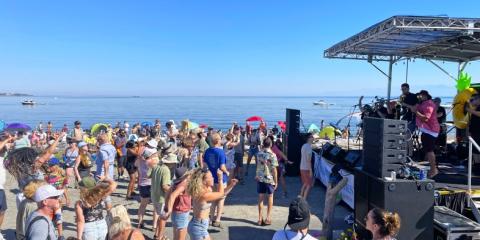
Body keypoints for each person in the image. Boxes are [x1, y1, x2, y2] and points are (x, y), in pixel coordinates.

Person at [187, 168, 238, 240]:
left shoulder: (206, 189)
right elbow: (220, 194)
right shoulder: (204, 194)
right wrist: (220, 179)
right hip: (199, 228)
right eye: (210, 177)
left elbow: (221, 194)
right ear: (204, 181)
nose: (213, 178)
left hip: (199, 226)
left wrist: (231, 185)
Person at [406, 90, 439, 177]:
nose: (418, 97)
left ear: (425, 95)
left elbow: (426, 118)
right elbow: (415, 108)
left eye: (420, 96)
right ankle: (431, 168)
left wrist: (415, 112)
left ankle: (433, 170)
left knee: (430, 151)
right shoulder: (422, 103)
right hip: (425, 130)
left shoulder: (429, 104)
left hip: (431, 131)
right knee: (427, 151)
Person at [203, 133, 230, 228]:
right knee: (221, 198)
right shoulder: (221, 152)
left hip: (210, 177)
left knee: (213, 198)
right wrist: (227, 172)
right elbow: (222, 166)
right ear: (218, 141)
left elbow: (205, 165)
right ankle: (217, 219)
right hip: (220, 178)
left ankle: (210, 218)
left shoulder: (207, 151)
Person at [162, 167, 192, 240]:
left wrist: (166, 206)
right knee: (181, 235)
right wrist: (169, 210)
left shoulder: (175, 183)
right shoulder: (183, 185)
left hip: (176, 212)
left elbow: (168, 194)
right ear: (185, 176)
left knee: (176, 233)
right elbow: (172, 196)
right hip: (181, 212)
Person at [255, 138, 278, 226]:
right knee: (270, 198)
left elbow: (258, 165)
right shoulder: (272, 155)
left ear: (263, 144)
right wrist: (276, 181)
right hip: (269, 179)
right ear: (271, 144)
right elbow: (274, 169)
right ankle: (268, 218)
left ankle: (260, 219)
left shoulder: (259, 153)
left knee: (260, 198)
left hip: (260, 178)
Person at [150, 151, 171, 240]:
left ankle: (157, 234)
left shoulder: (156, 166)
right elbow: (165, 186)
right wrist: (175, 192)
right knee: (163, 219)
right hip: (162, 198)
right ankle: (160, 237)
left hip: (154, 196)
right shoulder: (166, 169)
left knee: (159, 217)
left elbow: (149, 176)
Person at [300, 134, 314, 200]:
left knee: (305, 183)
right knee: (309, 185)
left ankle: (300, 196)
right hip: (306, 168)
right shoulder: (308, 147)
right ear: (309, 138)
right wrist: (310, 170)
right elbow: (308, 160)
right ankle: (304, 199)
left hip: (302, 167)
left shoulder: (304, 145)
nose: (313, 138)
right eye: (312, 137)